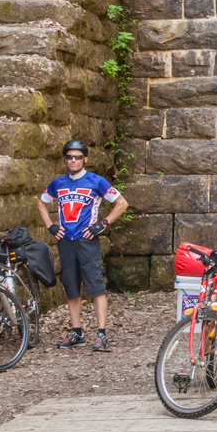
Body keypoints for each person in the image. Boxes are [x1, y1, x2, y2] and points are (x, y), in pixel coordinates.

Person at [38, 140, 128, 352]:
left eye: (78, 157)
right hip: (66, 241)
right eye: (69, 157)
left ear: (85, 159)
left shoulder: (96, 181)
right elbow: (41, 202)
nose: (73, 160)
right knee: (71, 287)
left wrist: (102, 224)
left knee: (96, 286)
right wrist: (50, 226)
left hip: (87, 241)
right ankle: (77, 333)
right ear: (64, 159)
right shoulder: (58, 183)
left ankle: (101, 334)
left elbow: (122, 203)